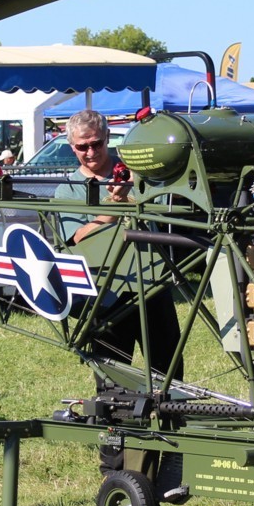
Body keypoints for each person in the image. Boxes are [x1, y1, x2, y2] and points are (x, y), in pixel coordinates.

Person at [55, 109, 182, 382]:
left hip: (151, 282)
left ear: (108, 137)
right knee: (112, 373)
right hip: (106, 290)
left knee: (168, 368)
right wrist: (115, 204)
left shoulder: (138, 172)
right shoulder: (68, 190)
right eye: (82, 146)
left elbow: (166, 209)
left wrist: (131, 195)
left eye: (96, 143)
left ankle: (171, 418)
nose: (90, 152)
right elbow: (78, 237)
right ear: (72, 146)